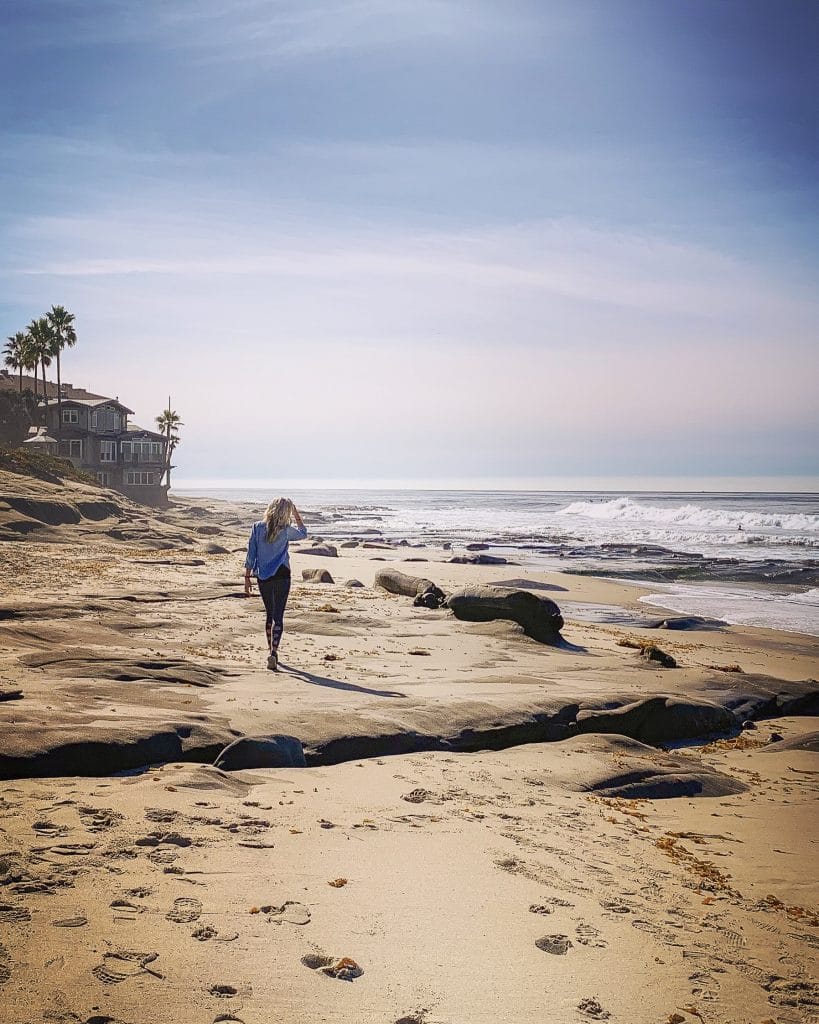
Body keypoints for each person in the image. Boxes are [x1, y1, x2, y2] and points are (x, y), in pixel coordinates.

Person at [244, 498, 307, 670]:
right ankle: (273, 651)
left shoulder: (257, 527)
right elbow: (303, 533)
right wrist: (296, 514)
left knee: (269, 614)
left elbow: (251, 553)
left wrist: (247, 577)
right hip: (283, 574)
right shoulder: (285, 530)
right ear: (286, 512)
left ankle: (270, 652)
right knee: (278, 616)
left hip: (263, 576)